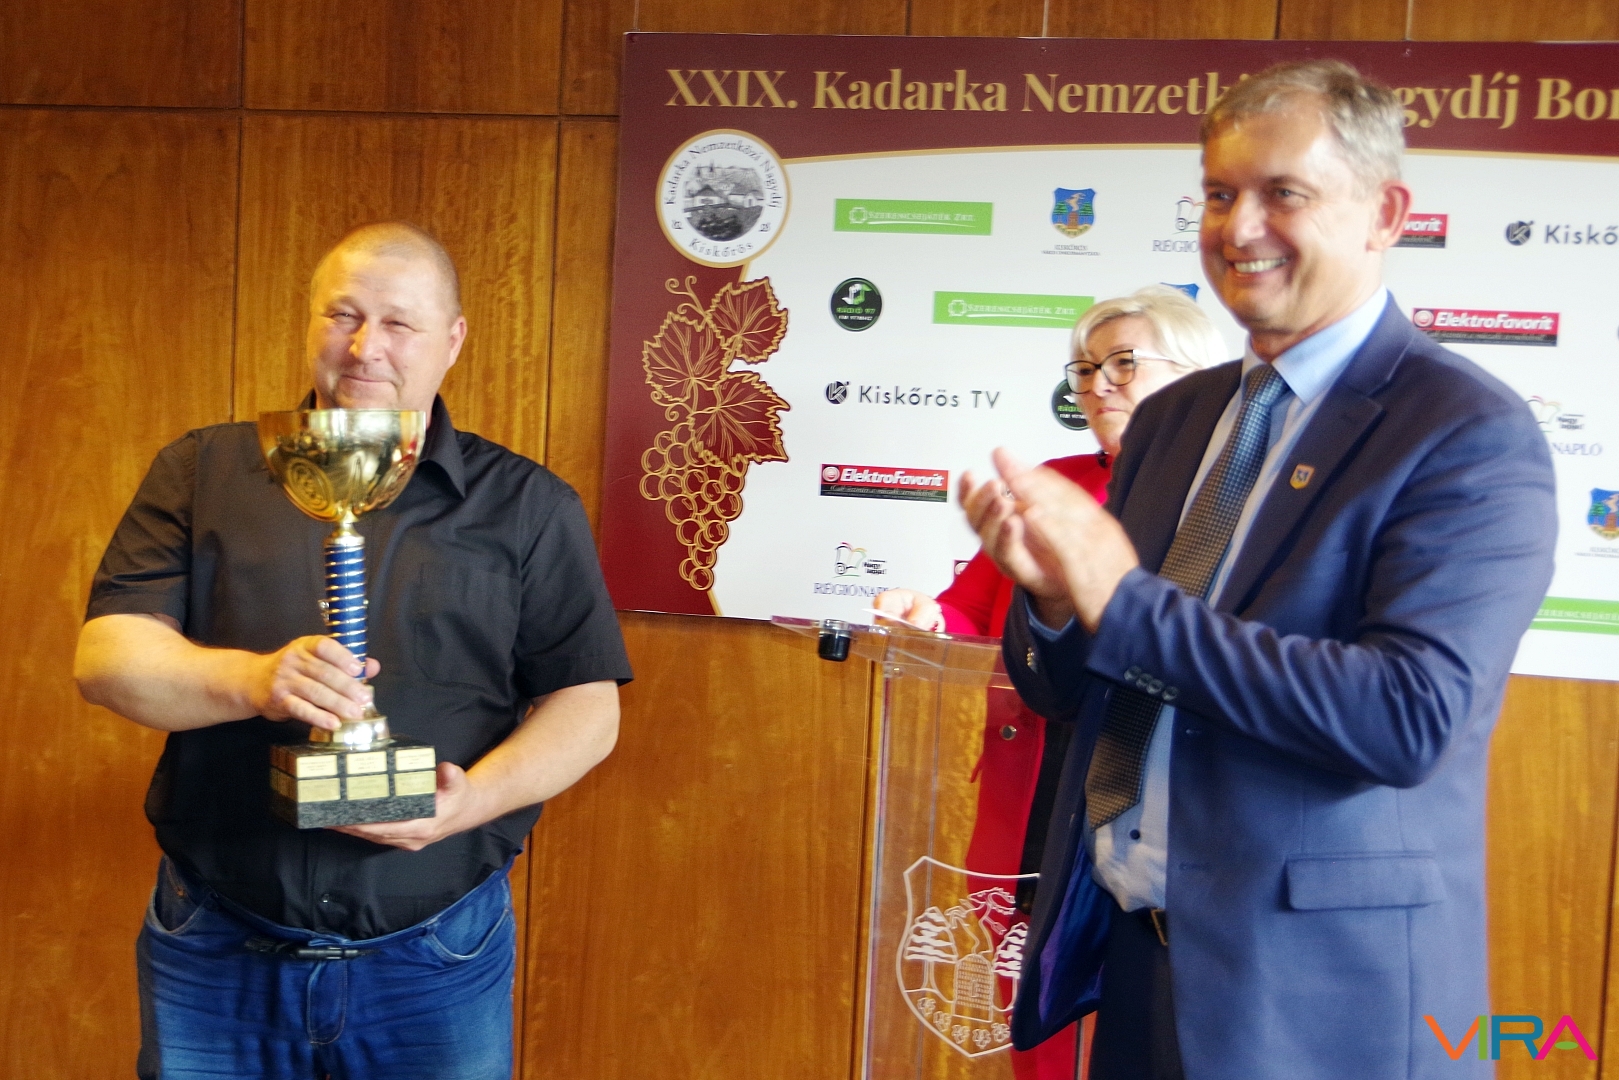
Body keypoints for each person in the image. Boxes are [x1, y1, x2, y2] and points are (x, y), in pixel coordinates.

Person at [961, 60, 1556, 1080]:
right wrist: (1057, 602)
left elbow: (1405, 719)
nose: (1238, 228)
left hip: (1318, 1006)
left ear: (1384, 215)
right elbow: (1076, 689)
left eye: (1282, 192)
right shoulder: (1171, 421)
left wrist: (1122, 602)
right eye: (1218, 193)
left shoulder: (1464, 431)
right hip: (1137, 962)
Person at [74, 222, 632, 1080]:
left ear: (453, 340)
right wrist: (256, 680)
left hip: (437, 959)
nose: (366, 347)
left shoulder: (527, 505)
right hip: (215, 949)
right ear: (310, 323)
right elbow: (107, 658)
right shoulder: (203, 470)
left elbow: (588, 706)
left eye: (399, 322)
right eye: (343, 315)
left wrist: (467, 804)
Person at [876, 286, 1225, 1080]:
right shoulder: (1048, 486)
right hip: (1042, 797)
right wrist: (925, 617)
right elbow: (968, 614)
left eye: (1123, 364)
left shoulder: (1231, 505)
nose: (1097, 384)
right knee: (1035, 1032)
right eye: (1085, 368)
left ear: (1196, 375)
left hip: (1175, 821)